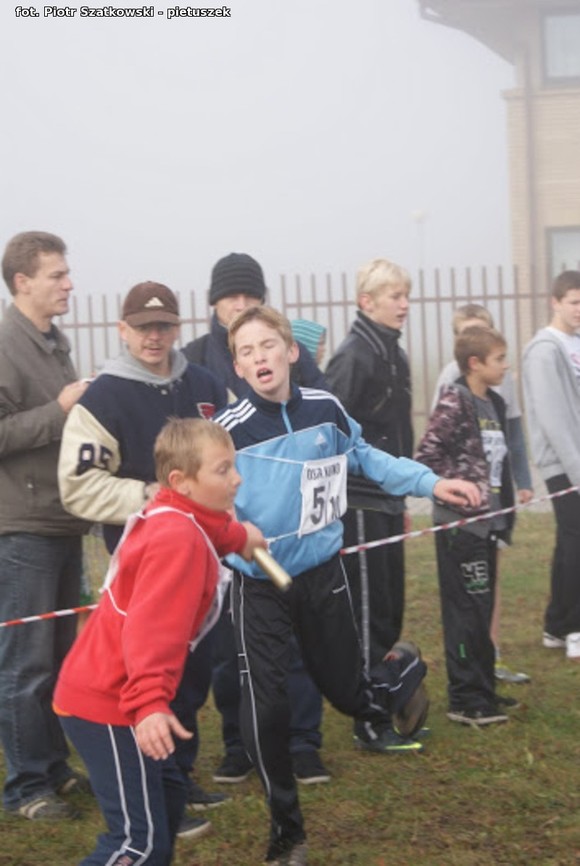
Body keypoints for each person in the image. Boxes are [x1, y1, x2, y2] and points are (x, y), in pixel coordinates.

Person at [215, 305, 480, 865]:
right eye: (246, 351)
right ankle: (287, 832)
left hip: (320, 573)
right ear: (237, 367)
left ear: (291, 352)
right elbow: (203, 499)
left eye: (268, 345)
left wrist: (432, 483)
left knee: (349, 696)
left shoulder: (325, 409)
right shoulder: (227, 431)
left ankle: (399, 670)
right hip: (261, 580)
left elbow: (366, 458)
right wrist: (232, 528)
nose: (260, 357)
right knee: (266, 706)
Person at [54, 418, 266, 866]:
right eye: (223, 469)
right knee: (138, 844)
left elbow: (207, 526)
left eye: (234, 466)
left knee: (167, 804)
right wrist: (150, 702)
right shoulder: (177, 540)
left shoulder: (178, 514)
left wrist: (238, 536)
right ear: (181, 480)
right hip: (109, 702)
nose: (237, 478)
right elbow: (151, 628)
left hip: (125, 696)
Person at [58, 281, 228, 837]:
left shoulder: (206, 386)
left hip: (206, 558)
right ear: (122, 330)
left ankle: (178, 776)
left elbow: (232, 459)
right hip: (146, 566)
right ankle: (150, 789)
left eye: (164, 326)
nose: (154, 336)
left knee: (191, 671)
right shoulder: (103, 398)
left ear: (177, 327)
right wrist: (151, 497)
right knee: (149, 668)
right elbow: (79, 484)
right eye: (142, 327)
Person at [183, 253, 329, 788]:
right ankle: (239, 743)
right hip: (224, 531)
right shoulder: (193, 363)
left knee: (298, 638)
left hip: (287, 528)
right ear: (214, 302)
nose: (240, 305)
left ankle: (303, 743)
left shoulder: (284, 351)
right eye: (231, 297)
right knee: (231, 648)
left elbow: (317, 413)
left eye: (250, 296)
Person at [0, 231, 91, 820]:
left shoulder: (55, 344)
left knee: (59, 659)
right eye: (56, 275)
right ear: (22, 281)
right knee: (25, 663)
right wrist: (59, 411)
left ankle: (54, 768)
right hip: (23, 529)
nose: (69, 284)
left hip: (62, 520)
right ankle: (25, 786)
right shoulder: (4, 344)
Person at [416, 326, 516, 726]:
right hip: (460, 528)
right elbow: (426, 455)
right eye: (499, 359)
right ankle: (464, 699)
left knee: (482, 607)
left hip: (488, 526)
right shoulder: (454, 401)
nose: (506, 366)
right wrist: (458, 489)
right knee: (465, 612)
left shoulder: (494, 403)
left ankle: (484, 688)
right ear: (475, 363)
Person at [431, 302, 533, 685]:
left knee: (488, 585)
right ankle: (469, 679)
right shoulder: (452, 386)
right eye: (465, 332)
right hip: (463, 517)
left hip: (494, 507)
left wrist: (521, 482)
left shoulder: (501, 389)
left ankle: (489, 660)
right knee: (467, 596)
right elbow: (435, 447)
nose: (505, 365)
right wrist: (456, 488)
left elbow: (513, 435)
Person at [325, 258, 413, 673]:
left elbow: (399, 431)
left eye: (406, 296)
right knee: (367, 605)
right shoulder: (352, 357)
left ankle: (387, 685)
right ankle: (367, 699)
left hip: (390, 498)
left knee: (391, 602)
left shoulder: (397, 355)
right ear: (367, 301)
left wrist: (403, 492)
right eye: (395, 296)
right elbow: (329, 431)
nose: (405, 305)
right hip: (359, 503)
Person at [522, 270, 580, 661]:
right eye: (573, 302)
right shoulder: (543, 350)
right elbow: (554, 417)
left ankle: (556, 625)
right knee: (576, 542)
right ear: (555, 302)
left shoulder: (575, 344)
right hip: (565, 463)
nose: (579, 310)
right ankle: (573, 628)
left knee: (570, 541)